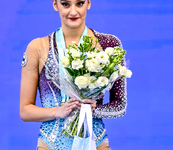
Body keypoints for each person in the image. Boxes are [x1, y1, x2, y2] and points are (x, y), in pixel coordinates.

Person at [20, 0, 127, 150]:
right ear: (55, 4)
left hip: (95, 142)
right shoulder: (37, 48)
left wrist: (95, 109)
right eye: (65, 4)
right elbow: (25, 111)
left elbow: (120, 105)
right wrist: (57, 111)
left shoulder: (109, 45)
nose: (73, 11)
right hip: (51, 143)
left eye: (79, 3)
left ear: (89, 3)